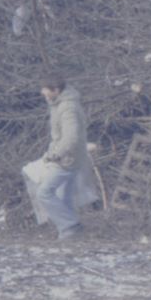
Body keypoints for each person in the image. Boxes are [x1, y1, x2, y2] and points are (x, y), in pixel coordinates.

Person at [28, 75, 96, 240]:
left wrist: (55, 155)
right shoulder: (59, 104)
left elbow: (71, 138)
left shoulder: (68, 108)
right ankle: (70, 234)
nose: (43, 94)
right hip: (68, 157)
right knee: (63, 196)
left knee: (44, 193)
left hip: (67, 159)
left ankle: (70, 226)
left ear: (56, 90)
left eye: (46, 91)